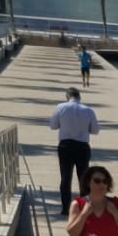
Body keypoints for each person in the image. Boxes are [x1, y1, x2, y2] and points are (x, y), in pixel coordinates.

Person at [48, 87, 99, 215]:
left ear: (67, 96)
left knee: (65, 177)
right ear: (79, 97)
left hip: (65, 146)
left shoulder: (61, 107)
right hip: (82, 146)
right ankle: (83, 207)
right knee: (83, 178)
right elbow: (95, 130)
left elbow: (53, 126)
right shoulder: (88, 110)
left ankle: (66, 208)